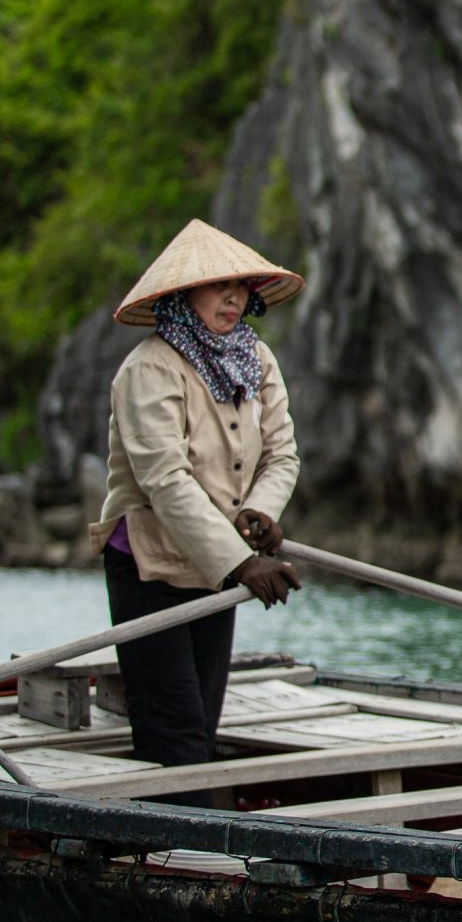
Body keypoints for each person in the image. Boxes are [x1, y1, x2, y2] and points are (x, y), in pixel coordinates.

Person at [88, 219, 305, 789]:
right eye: (216, 286)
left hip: (218, 563)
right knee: (175, 734)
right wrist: (241, 562)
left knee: (202, 725)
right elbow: (165, 480)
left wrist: (260, 513)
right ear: (182, 295)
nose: (232, 298)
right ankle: (179, 853)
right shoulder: (148, 368)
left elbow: (282, 455)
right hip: (150, 562)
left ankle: (192, 842)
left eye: (240, 287)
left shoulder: (256, 360)